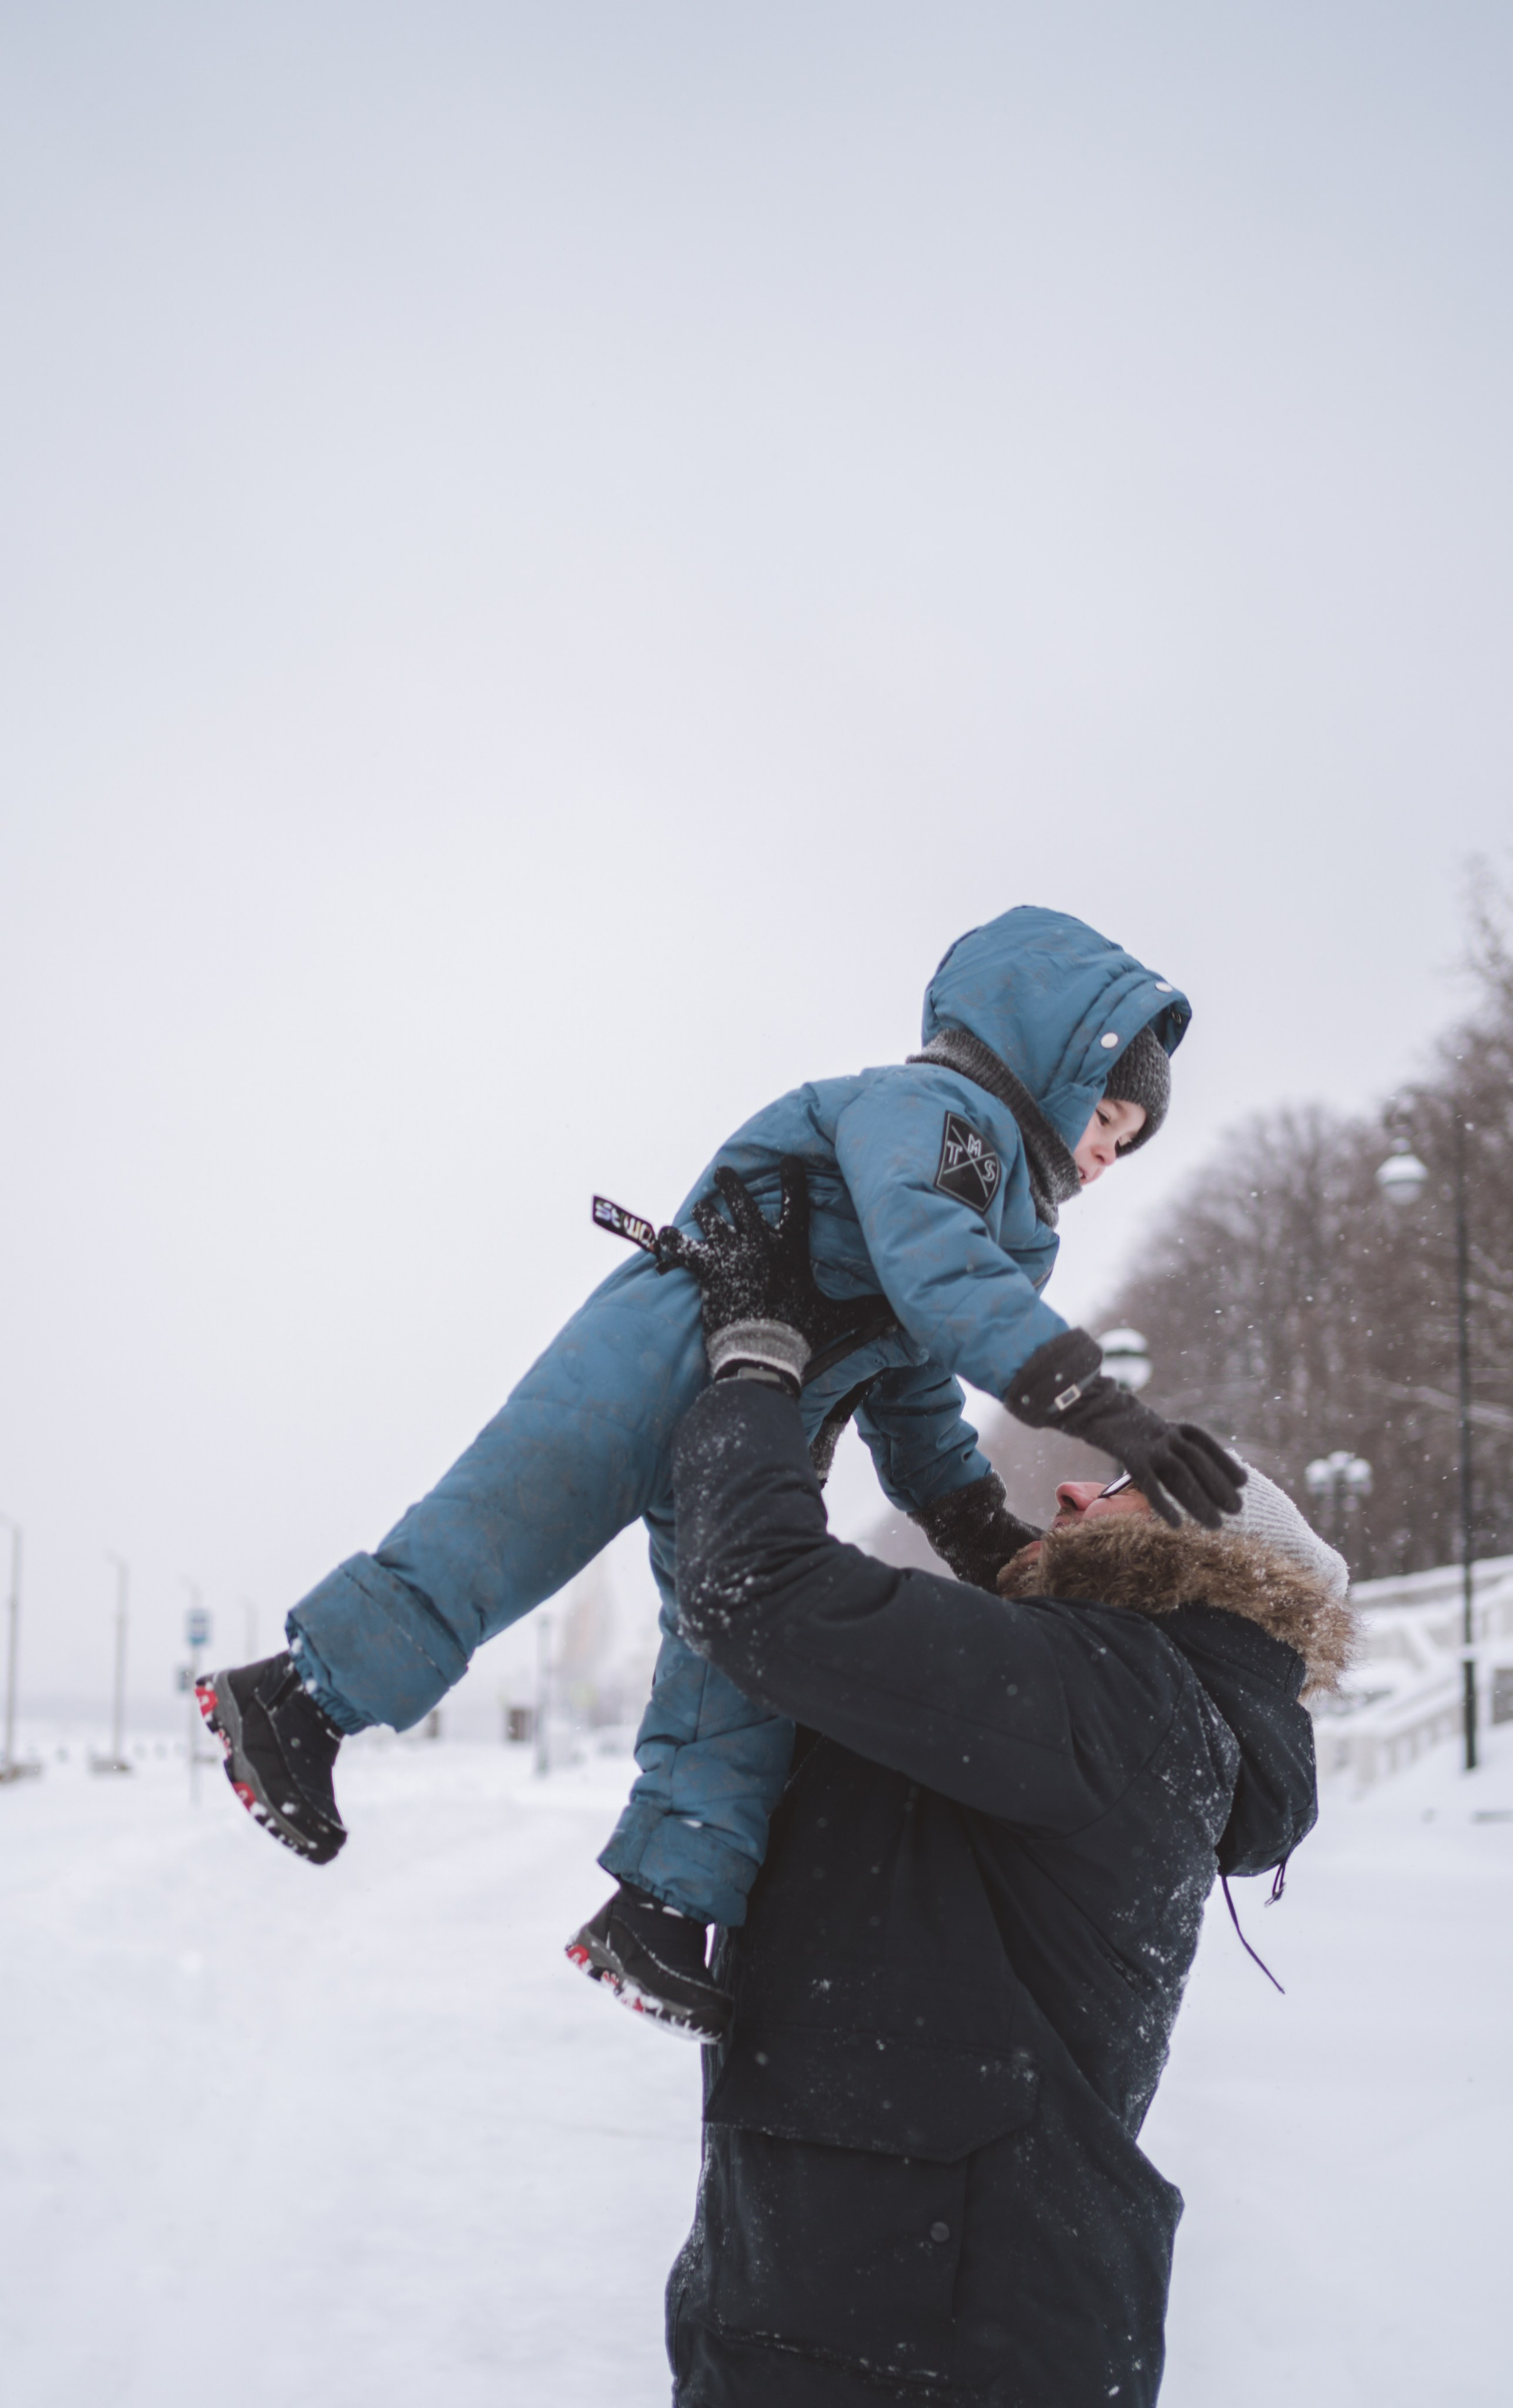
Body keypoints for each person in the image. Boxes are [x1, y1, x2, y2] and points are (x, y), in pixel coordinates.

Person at [198, 906, 1246, 2037]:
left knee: (738, 1649)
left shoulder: (1008, 1212)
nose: (1110, 1152)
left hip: (768, 1412)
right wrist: (1094, 1403)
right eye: (1112, 1114)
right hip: (672, 1336)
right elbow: (929, 1263)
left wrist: (977, 1528)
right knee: (512, 1523)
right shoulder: (934, 1114)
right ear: (1054, 1062)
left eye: (1132, 1143)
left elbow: (910, 1381)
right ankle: (296, 1700)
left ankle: (663, 1905)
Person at [654, 1172, 1353, 2404]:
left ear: (1195, 1564)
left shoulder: (1118, 1696)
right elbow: (822, 1655)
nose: (1073, 1490)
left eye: (1119, 1494)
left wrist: (760, 1352)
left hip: (921, 2340)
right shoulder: (1140, 1710)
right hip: (900, 2315)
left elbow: (758, 1598)